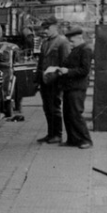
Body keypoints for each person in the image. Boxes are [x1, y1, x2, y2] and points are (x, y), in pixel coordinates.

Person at [56, 27, 93, 149]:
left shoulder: (85, 50)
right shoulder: (77, 49)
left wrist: (68, 71)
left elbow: (84, 70)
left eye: (72, 41)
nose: (70, 44)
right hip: (70, 86)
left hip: (77, 87)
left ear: (79, 38)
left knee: (76, 114)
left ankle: (86, 140)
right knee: (68, 114)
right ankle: (72, 139)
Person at [35, 16, 70, 144]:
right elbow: (41, 62)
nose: (45, 31)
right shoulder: (45, 42)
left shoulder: (62, 42)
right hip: (44, 80)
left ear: (55, 27)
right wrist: (37, 80)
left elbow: (65, 63)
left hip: (55, 81)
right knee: (47, 108)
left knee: (54, 108)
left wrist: (61, 81)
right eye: (44, 28)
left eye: (47, 28)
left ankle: (57, 135)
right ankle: (50, 134)